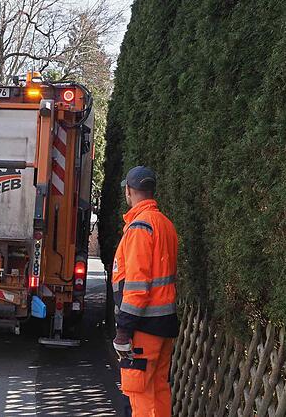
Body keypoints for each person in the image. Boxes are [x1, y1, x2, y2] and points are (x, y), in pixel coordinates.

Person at [112, 166, 179, 417]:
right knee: (159, 390)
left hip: (143, 327)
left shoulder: (140, 227)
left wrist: (123, 330)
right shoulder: (166, 225)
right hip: (164, 325)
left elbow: (137, 286)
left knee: (138, 394)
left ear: (129, 192)